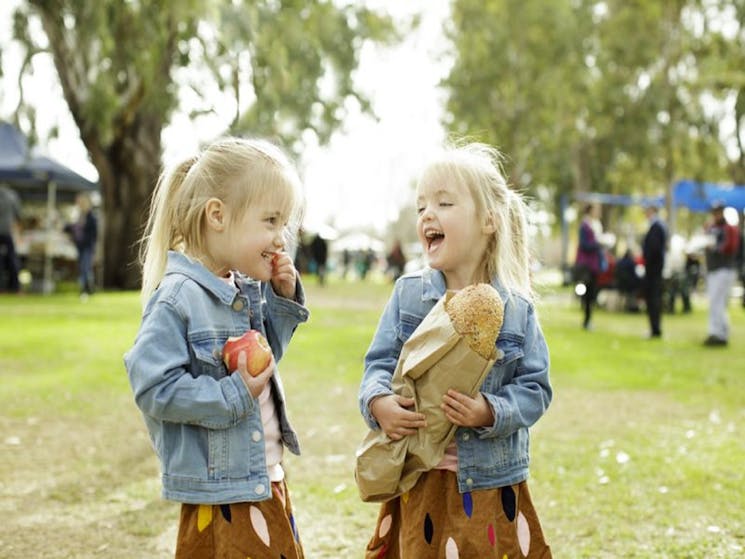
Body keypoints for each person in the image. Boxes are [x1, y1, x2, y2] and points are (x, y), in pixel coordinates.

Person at [358, 142, 553, 558]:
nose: (428, 214)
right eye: (421, 206)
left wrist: (491, 411)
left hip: (487, 483)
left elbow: (536, 389)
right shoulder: (408, 296)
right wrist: (378, 403)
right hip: (419, 478)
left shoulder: (516, 309)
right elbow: (378, 364)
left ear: (488, 221)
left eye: (444, 203)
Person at [124, 137, 310, 558]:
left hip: (262, 477)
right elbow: (153, 387)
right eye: (270, 220)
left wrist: (282, 299)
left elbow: (264, 362)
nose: (281, 238)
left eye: (284, 224)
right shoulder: (178, 297)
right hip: (221, 494)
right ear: (218, 215)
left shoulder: (244, 288)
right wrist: (233, 393)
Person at [703, 201, 740, 346]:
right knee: (716, 302)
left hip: (724, 269)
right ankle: (718, 333)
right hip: (713, 269)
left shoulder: (729, 228)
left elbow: (731, 247)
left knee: (717, 302)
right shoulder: (711, 228)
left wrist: (715, 248)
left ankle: (718, 333)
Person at [574, 203, 605, 329]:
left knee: (592, 292)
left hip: (594, 265)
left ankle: (588, 319)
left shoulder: (595, 226)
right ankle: (586, 320)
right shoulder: (585, 226)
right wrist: (598, 244)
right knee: (587, 293)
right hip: (587, 264)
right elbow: (584, 245)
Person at [65, 193, 98, 297]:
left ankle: (87, 289)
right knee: (83, 267)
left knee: (86, 267)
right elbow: (70, 227)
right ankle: (86, 288)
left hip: (87, 246)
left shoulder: (91, 217)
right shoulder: (78, 216)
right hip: (80, 246)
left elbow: (93, 233)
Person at [642, 204, 666, 338]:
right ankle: (654, 328)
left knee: (654, 298)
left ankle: (655, 329)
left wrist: (648, 261)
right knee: (652, 298)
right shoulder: (656, 226)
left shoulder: (657, 227)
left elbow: (654, 249)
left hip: (654, 269)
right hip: (653, 268)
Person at [0, 184, 22, 292]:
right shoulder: (12, 195)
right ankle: (15, 286)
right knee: (12, 258)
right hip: (7, 231)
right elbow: (18, 214)